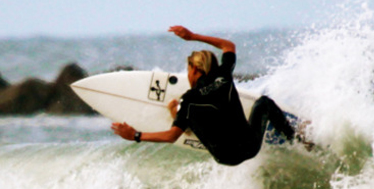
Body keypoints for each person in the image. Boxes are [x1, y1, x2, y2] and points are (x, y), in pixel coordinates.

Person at [110, 25, 299, 165]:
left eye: (189, 69)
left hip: (225, 157)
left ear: (196, 69)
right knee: (264, 102)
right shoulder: (224, 76)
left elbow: (171, 136)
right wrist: (192, 36)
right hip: (250, 147)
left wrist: (135, 135)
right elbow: (228, 45)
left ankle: (180, 118)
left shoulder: (189, 99)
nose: (188, 74)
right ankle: (296, 140)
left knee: (194, 116)